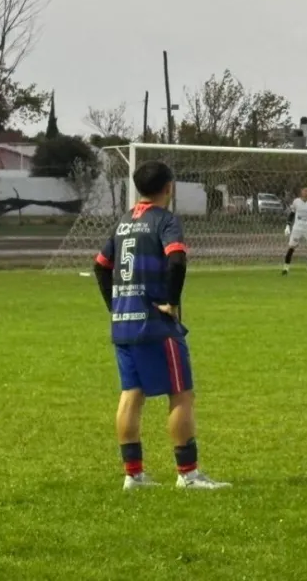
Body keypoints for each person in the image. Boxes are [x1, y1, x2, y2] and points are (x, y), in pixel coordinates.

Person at [93, 159, 231, 491]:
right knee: (181, 394)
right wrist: (171, 301)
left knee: (132, 394)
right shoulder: (165, 220)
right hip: (156, 324)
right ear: (168, 187)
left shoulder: (123, 222)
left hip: (124, 324)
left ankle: (134, 475)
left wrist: (115, 305)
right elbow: (177, 258)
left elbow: (100, 266)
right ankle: (188, 475)